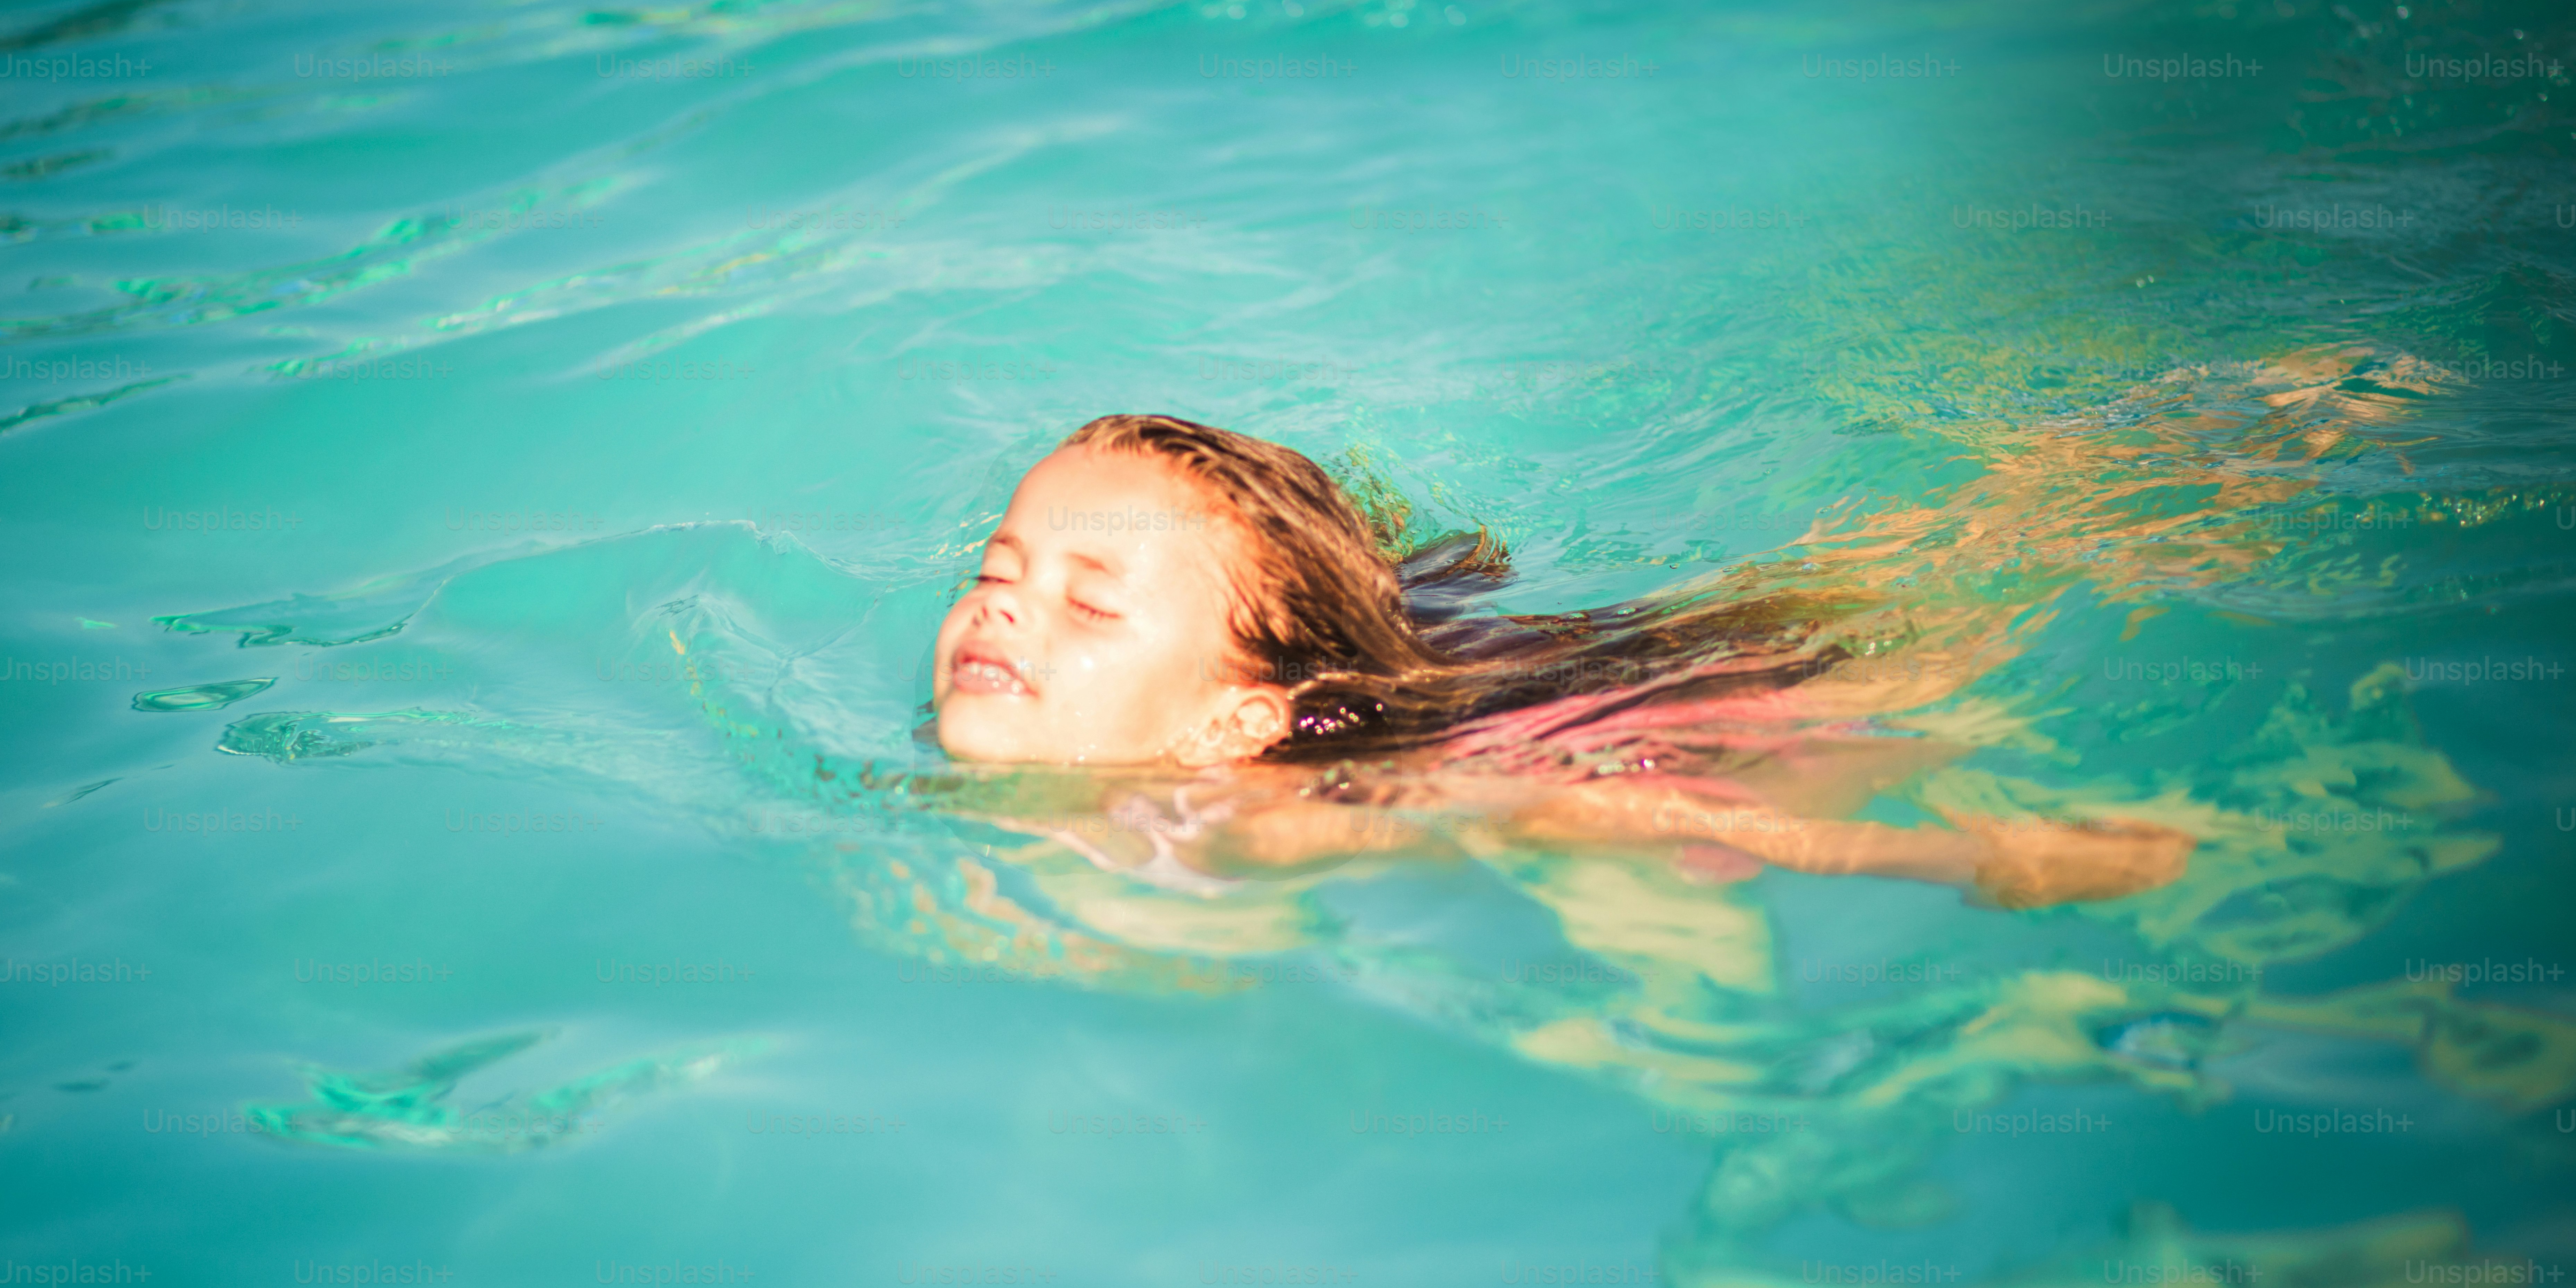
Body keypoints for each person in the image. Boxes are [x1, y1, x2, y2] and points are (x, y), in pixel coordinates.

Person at [925, 413, 2193, 909]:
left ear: (1233, 727)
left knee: (1944, 597)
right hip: (1472, 673)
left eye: (1089, 609)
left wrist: (1956, 857)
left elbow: (1592, 802)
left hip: (1664, 707)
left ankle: (2213, 447)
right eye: (996, 574)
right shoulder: (1106, 767)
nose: (1003, 614)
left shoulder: (1291, 816)